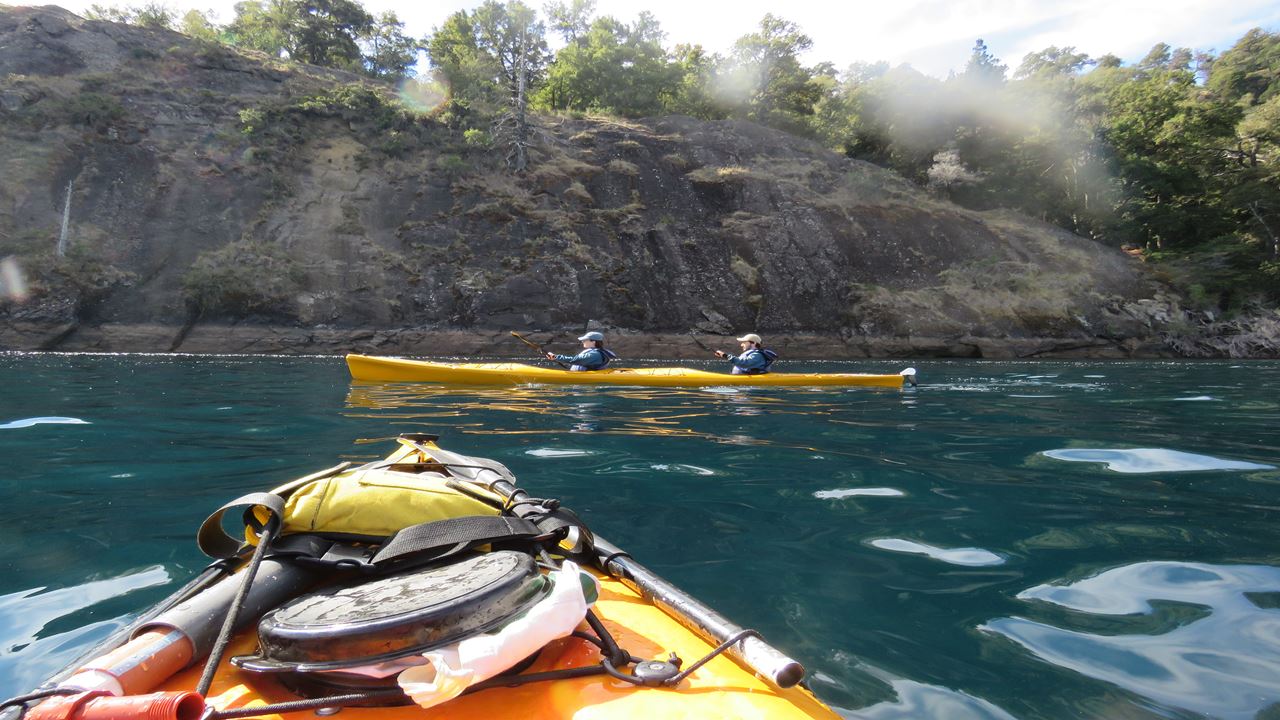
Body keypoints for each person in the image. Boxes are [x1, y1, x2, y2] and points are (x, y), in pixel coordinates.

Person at [546, 331, 618, 371]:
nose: (582, 341)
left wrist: (556, 356)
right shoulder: (595, 352)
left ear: (594, 342)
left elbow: (575, 360)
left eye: (585, 340)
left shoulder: (595, 354)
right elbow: (579, 362)